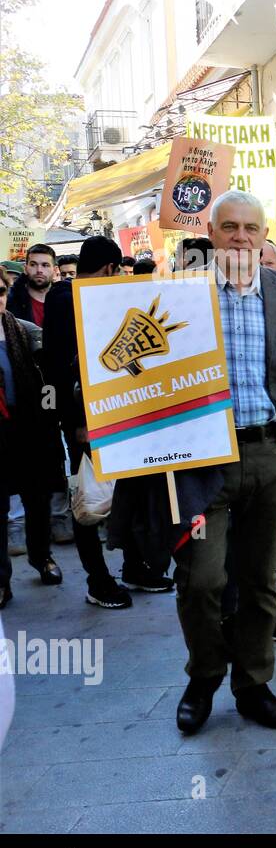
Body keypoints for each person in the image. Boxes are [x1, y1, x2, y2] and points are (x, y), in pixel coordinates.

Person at [171, 190, 276, 736]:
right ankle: (204, 675)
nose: (239, 237)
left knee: (260, 579)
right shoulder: (178, 295)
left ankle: (253, 684)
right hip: (201, 459)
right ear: (211, 234)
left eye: (250, 228)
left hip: (269, 454)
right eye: (229, 227)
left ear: (262, 236)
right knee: (202, 579)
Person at [46, 238, 149, 608]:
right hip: (85, 421)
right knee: (89, 498)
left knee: (128, 491)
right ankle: (98, 580)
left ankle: (134, 566)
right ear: (108, 269)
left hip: (118, 411)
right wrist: (75, 422)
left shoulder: (100, 298)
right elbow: (59, 367)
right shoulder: (66, 301)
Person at [0, 271, 65, 604]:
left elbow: (50, 380)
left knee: (37, 501)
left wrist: (49, 412)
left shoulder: (25, 332)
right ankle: (1, 579)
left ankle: (42, 558)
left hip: (28, 430)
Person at [9, 243, 59, 326]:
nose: (39, 270)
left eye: (45, 265)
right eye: (33, 265)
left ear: (55, 270)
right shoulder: (11, 300)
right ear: (25, 268)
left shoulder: (66, 299)